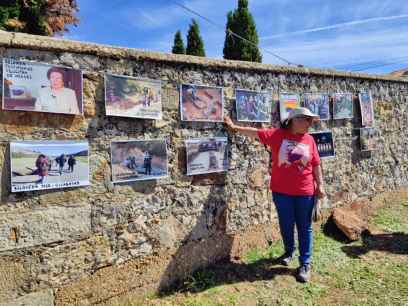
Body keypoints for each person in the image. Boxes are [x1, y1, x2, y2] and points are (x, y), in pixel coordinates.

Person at [224, 107, 326, 283]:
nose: (310, 124)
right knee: (286, 225)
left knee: (305, 227)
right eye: (307, 120)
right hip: (282, 192)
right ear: (295, 120)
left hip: (305, 192)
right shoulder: (278, 135)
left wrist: (320, 185)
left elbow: (316, 164)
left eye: (311, 120)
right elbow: (256, 133)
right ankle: (289, 251)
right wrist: (234, 127)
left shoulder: (309, 140)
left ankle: (305, 264)